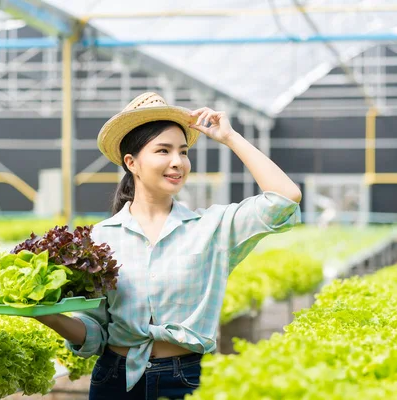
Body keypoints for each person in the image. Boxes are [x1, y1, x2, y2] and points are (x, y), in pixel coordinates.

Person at [34, 92, 302, 400]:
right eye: (163, 151)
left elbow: (284, 198)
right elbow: (95, 335)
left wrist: (230, 138)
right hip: (114, 380)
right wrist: (47, 316)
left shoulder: (211, 228)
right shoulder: (99, 239)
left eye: (183, 152)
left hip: (188, 379)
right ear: (131, 162)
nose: (177, 162)